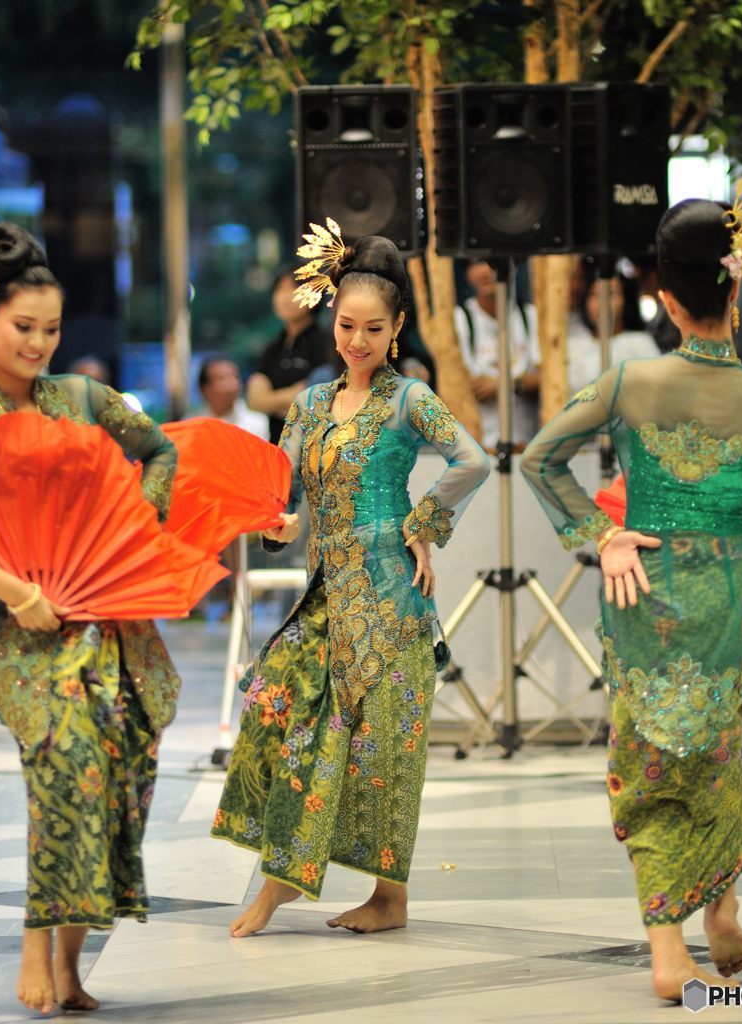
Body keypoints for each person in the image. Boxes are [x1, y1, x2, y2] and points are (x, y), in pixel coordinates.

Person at [520, 187, 742, 1001]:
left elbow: (542, 459)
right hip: (731, 594)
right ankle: (723, 906)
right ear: (736, 289)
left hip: (641, 589)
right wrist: (721, 549)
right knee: (716, 758)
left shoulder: (627, 382)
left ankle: (668, 949)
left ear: (664, 294)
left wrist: (602, 537)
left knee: (643, 767)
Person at [0, 222, 182, 1016]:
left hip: (105, 618)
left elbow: (160, 454)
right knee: (65, 756)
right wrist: (9, 589)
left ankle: (69, 962)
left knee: (122, 764)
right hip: (17, 627)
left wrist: (139, 523)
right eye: (23, 327)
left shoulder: (88, 401)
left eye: (51, 329)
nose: (38, 343)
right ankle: (35, 936)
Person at [212, 228, 490, 937]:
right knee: (283, 711)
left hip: (392, 594)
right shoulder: (307, 404)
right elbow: (289, 504)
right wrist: (276, 525)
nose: (357, 341)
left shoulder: (408, 400)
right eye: (345, 326)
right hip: (327, 592)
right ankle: (281, 879)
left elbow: (473, 460)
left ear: (397, 329)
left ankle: (387, 899)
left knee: (385, 748)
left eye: (373, 329)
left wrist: (423, 522)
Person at [453, 259, 540, 448]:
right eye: (478, 263)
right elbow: (457, 382)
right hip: (477, 447)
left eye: (493, 261)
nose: (487, 270)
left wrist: (505, 385)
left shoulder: (529, 316)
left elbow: (548, 377)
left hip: (527, 444)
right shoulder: (459, 320)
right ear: (467, 273)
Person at [247, 268, 333, 443]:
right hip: (277, 446)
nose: (286, 296)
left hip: (315, 449)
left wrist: (270, 401)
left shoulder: (327, 343)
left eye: (295, 288)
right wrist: (290, 398)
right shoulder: (273, 347)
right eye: (280, 288)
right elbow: (254, 400)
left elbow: (316, 400)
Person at [567, 268, 661, 395]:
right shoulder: (573, 344)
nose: (601, 303)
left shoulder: (639, 343)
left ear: (626, 300)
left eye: (610, 294)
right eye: (594, 294)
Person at [198, 356, 268, 439]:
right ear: (205, 389)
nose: (232, 383)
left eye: (236, 377)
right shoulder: (191, 422)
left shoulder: (257, 422)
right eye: (222, 378)